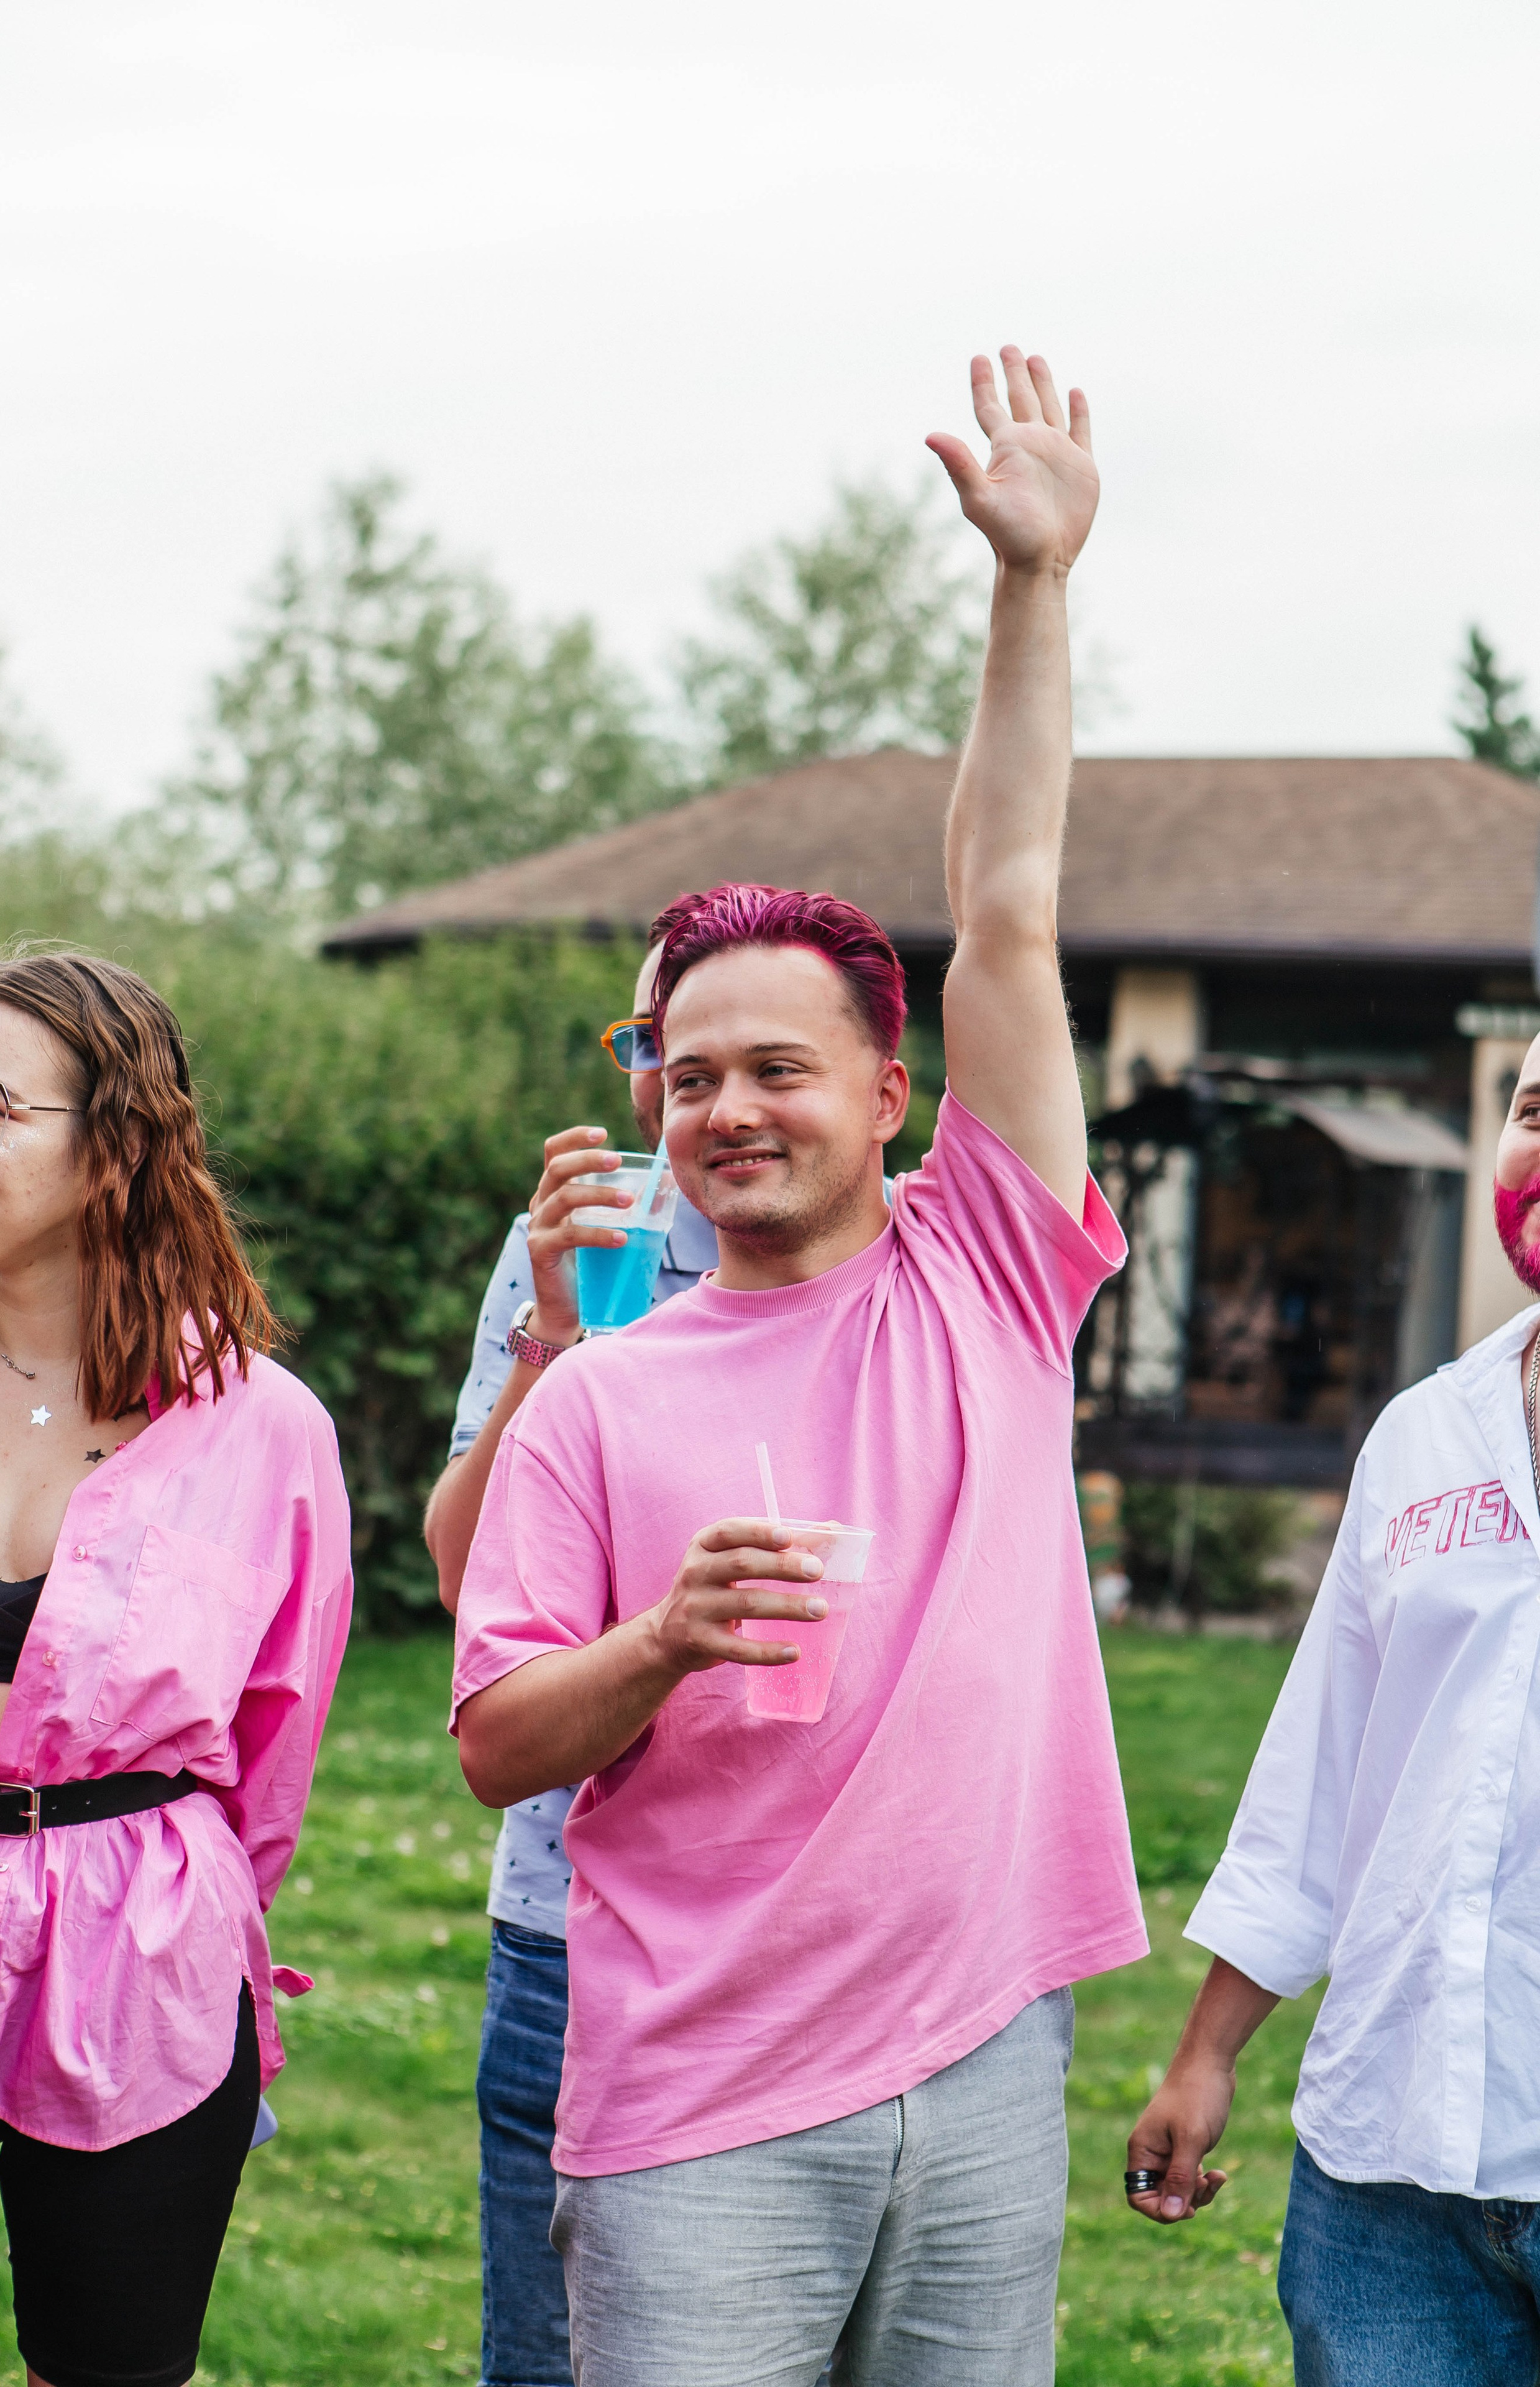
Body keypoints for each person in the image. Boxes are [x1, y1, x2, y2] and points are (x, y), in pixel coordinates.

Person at [451, 345, 1146, 2387]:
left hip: (991, 2054)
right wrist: (665, 1640)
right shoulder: (596, 1385)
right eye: (687, 1075)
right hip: (703, 2110)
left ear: (886, 1088)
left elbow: (1004, 911)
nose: (724, 1107)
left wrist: (1033, 587)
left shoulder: (990, 1276)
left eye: (779, 1068)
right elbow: (496, 1742)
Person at [0, 952, 353, 2387]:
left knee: (110, 2367)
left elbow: (277, 1741)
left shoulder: (263, 1431)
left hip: (144, 1968)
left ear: (114, 1141)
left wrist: (186, 1931)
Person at [1125, 1035, 1540, 2383]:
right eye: (1534, 1109)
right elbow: (1321, 1772)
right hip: (1385, 2177)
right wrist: (1204, 2056)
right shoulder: (1425, 1434)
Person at [424, 934, 717, 2387]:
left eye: (734, 1043)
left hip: (802, 1925)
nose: (684, 1079)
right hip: (570, 1918)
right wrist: (545, 1333)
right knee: (550, 2360)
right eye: (654, 1040)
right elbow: (458, 1571)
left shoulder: (898, 1257)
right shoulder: (587, 1240)